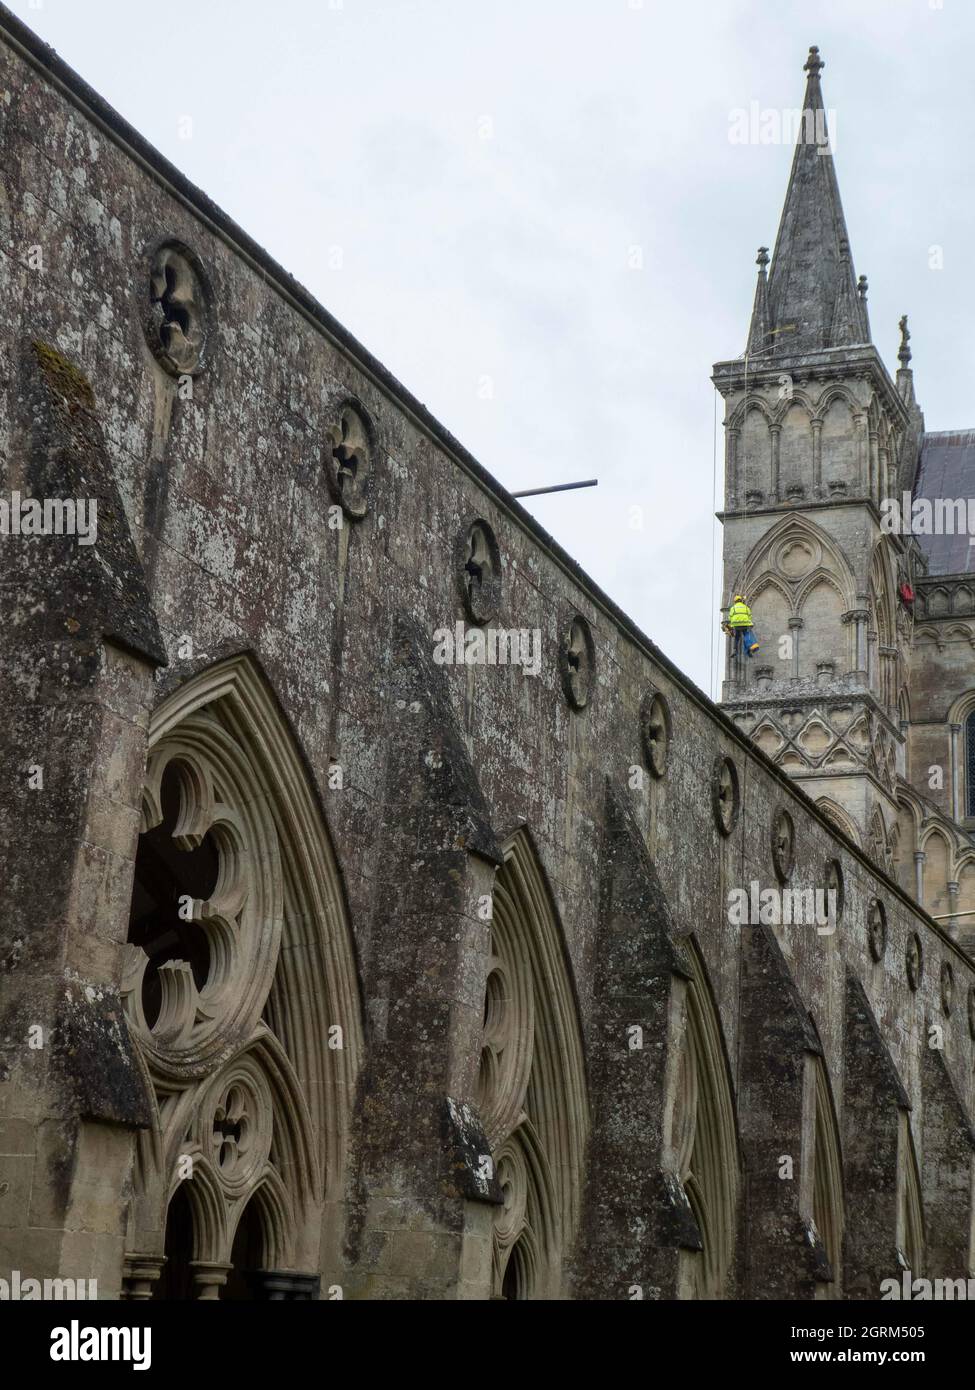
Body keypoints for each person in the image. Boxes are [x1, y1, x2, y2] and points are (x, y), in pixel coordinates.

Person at [727, 593, 760, 658]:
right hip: (745, 624)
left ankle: (735, 650)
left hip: (736, 625)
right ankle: (748, 650)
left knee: (737, 638)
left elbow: (730, 617)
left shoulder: (733, 608)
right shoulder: (746, 607)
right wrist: (749, 623)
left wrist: (732, 625)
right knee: (746, 636)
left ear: (735, 601)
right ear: (741, 601)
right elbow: (750, 616)